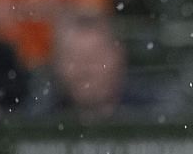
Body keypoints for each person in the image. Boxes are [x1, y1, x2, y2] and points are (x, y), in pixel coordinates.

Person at [26, 9, 167, 118]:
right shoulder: (34, 121)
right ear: (56, 64)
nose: (85, 70)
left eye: (94, 59)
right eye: (74, 59)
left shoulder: (158, 114)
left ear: (118, 57)